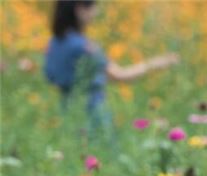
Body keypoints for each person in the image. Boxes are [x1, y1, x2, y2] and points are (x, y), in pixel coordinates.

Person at [44, 0, 178, 137]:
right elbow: (121, 75)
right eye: (93, 7)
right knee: (99, 148)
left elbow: (52, 78)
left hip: (67, 111)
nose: (96, 13)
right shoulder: (84, 46)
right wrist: (156, 63)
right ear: (80, 10)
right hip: (92, 113)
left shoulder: (54, 43)